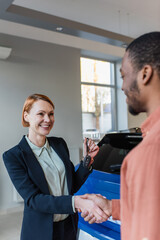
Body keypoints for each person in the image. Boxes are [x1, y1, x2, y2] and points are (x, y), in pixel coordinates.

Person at [81, 32, 160, 240]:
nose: (123, 86)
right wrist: (111, 207)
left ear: (145, 74)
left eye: (124, 75)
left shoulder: (149, 152)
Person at [3, 93, 108, 240]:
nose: (48, 119)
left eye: (51, 114)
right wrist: (76, 202)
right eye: (41, 114)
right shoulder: (13, 156)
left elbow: (71, 186)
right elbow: (34, 199)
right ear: (26, 116)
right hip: (40, 232)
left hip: (68, 227)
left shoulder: (59, 144)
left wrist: (87, 160)